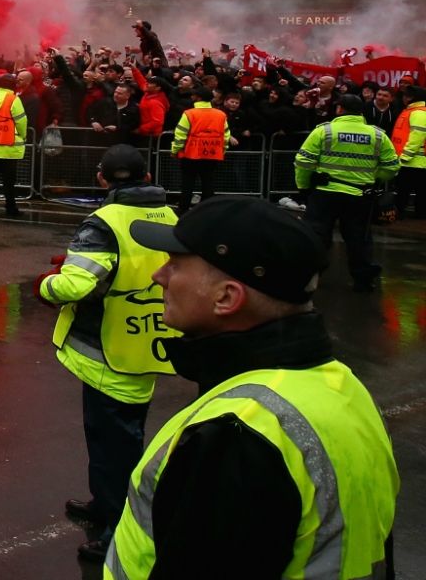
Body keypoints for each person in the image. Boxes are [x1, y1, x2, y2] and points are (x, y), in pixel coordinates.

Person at [105, 198, 398, 578]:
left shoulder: (236, 437)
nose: (158, 276)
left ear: (226, 298)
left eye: (176, 265)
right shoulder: (341, 386)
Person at [32, 145, 180, 564]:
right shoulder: (169, 216)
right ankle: (103, 504)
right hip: (148, 339)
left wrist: (46, 285)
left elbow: (76, 285)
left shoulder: (104, 221)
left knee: (116, 446)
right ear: (147, 176)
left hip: (108, 349)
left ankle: (119, 528)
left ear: (102, 178)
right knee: (113, 439)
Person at [294, 95, 399, 292]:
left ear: (340, 109)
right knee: (359, 238)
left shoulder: (324, 131)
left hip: (325, 193)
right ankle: (363, 280)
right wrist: (374, 179)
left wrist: (304, 187)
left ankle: (307, 277)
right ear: (361, 111)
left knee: (316, 236)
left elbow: (303, 161)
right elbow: (392, 166)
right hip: (360, 195)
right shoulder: (378, 135)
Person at [169, 87, 234, 210]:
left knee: (187, 185)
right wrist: (222, 151)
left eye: (193, 95)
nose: (191, 97)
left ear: (198, 97)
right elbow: (225, 135)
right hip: (212, 155)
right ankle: (207, 211)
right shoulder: (221, 114)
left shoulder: (189, 113)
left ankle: (183, 212)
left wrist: (175, 150)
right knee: (208, 184)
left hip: (190, 155)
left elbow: (180, 134)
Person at [0, 72, 28, 217]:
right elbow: (21, 121)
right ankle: (11, 208)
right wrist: (23, 135)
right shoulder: (13, 99)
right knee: (9, 181)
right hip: (8, 145)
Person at [394, 84, 426, 221]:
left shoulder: (418, 112)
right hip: (413, 161)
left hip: (414, 161)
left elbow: (417, 136)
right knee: (412, 191)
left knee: (408, 191)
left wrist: (405, 156)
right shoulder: (413, 111)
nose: (403, 97)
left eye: (405, 95)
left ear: (410, 98)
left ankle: (415, 216)